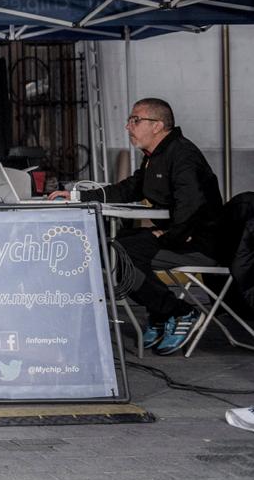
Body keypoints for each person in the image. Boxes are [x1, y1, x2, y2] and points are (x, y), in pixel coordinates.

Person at [50, 97, 223, 355]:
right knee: (114, 244)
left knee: (123, 252)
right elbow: (130, 187)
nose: (128, 126)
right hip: (179, 235)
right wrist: (78, 197)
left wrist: (167, 235)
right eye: (130, 120)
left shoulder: (182, 154)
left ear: (158, 125)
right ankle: (161, 313)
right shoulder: (155, 156)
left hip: (199, 242)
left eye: (136, 120)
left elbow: (192, 204)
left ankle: (180, 311)